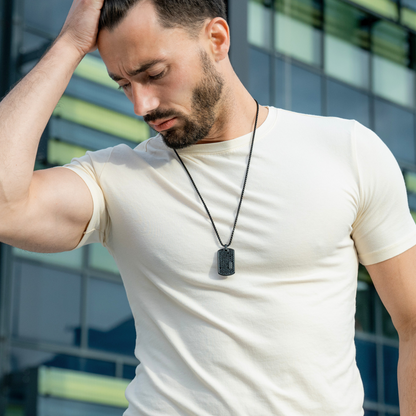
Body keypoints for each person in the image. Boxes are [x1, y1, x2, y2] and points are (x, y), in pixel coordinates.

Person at [0, 0, 416, 414]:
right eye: (124, 84)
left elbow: (412, 321)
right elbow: (5, 206)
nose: (141, 105)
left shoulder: (346, 151)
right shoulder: (114, 177)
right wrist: (69, 44)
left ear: (216, 38)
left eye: (155, 74)